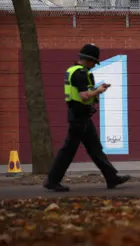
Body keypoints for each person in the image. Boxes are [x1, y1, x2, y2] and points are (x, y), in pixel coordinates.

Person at [43, 43, 131, 192]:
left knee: (95, 148)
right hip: (79, 118)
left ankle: (111, 178)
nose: (94, 65)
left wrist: (96, 90)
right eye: (94, 62)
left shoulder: (72, 70)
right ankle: (52, 180)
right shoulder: (81, 74)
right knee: (68, 151)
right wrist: (99, 90)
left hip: (80, 117)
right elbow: (84, 96)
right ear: (88, 60)